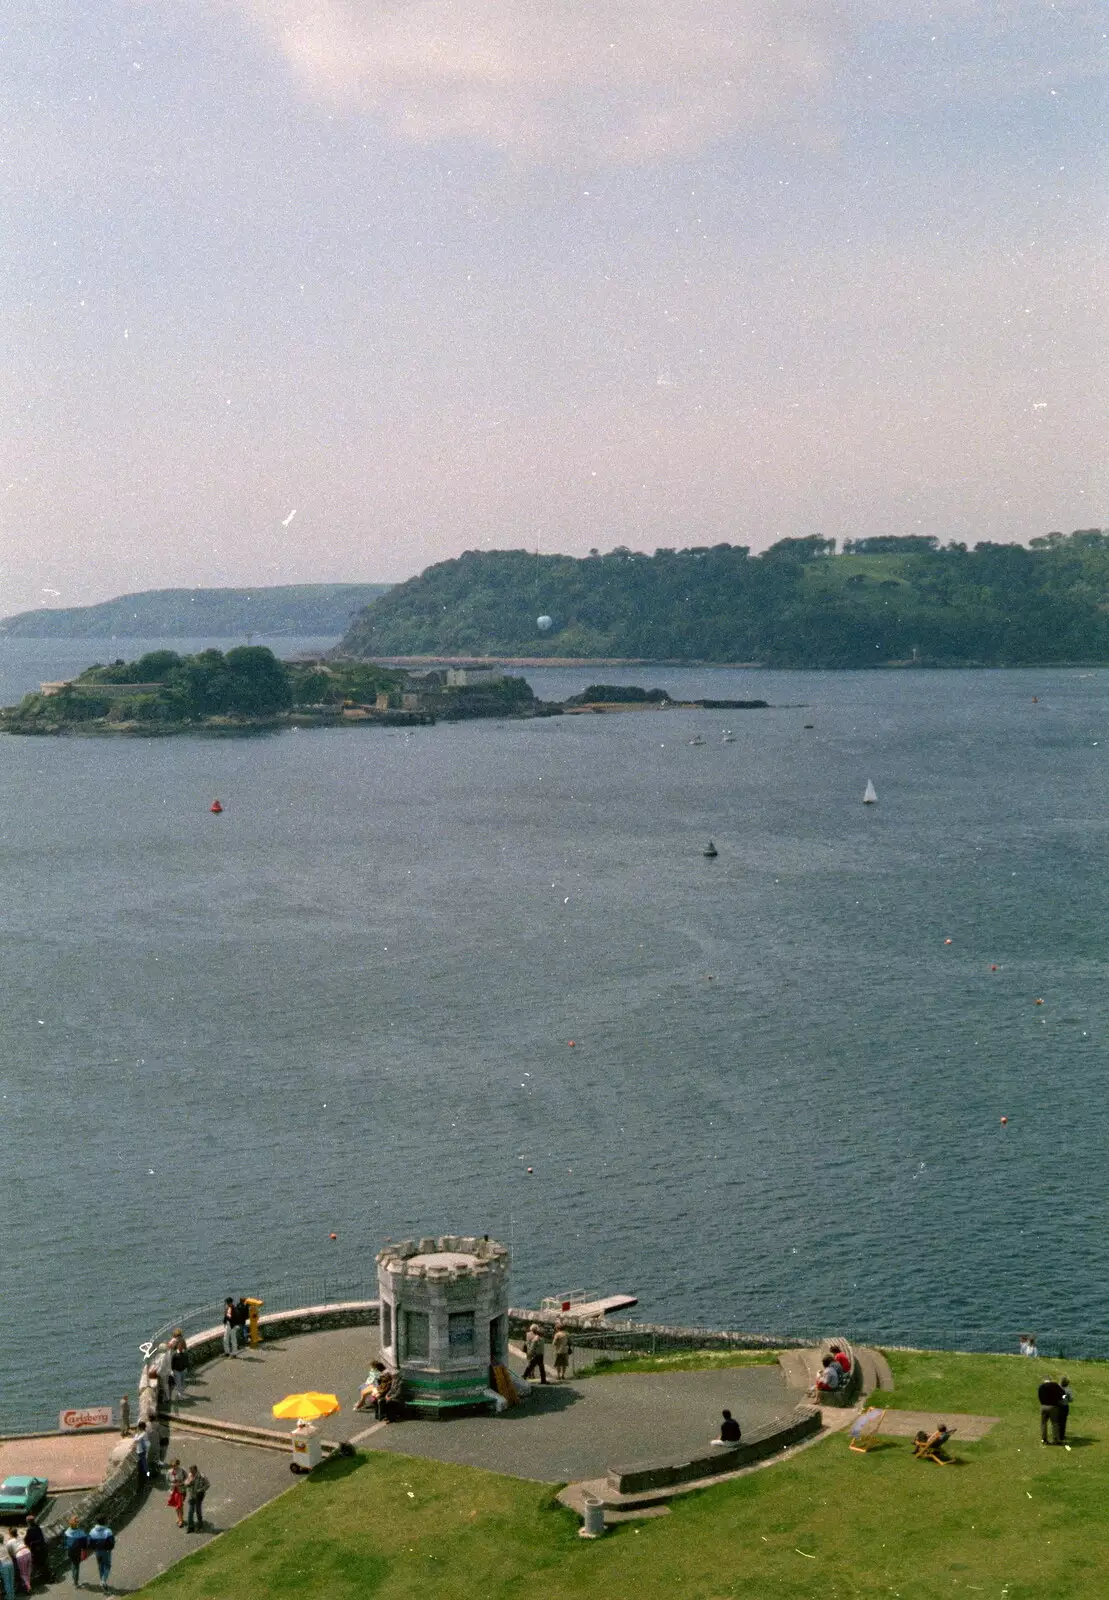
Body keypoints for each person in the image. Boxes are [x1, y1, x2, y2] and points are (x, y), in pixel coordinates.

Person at [86, 1522, 115, 1592]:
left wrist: (94, 1548)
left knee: (100, 1566)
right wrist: (109, 1548)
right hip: (106, 1551)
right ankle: (103, 1581)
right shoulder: (108, 1531)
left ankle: (102, 1582)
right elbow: (112, 1542)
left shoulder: (92, 1531)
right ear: (104, 1521)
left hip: (97, 1551)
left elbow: (89, 1542)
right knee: (107, 1566)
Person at [1038, 1375, 1066, 1444]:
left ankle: (1044, 1440)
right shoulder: (1054, 1385)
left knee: (1043, 1423)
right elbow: (1063, 1394)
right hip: (1053, 1407)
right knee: (1054, 1423)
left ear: (1044, 1380)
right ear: (1050, 1379)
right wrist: (1061, 1399)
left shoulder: (1041, 1387)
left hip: (1043, 1406)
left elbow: (1039, 1397)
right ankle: (1056, 1440)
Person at [20, 1517, 45, 1589]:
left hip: (35, 1550)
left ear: (28, 1522)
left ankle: (38, 1580)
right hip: (41, 1548)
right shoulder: (38, 1527)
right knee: (42, 1563)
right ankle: (44, 1577)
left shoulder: (30, 1530)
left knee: (35, 1564)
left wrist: (29, 1543)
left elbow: (26, 1540)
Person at [63, 1517, 87, 1589]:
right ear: (77, 1524)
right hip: (77, 1552)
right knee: (76, 1566)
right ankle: (76, 1583)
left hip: (70, 1551)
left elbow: (64, 1543)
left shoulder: (67, 1532)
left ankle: (73, 1578)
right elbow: (84, 1544)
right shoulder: (81, 1532)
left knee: (73, 1563)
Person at [6, 1528, 31, 1595]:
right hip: (28, 1551)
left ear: (10, 1534)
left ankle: (27, 1588)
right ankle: (27, 1585)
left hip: (20, 1555)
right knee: (28, 1571)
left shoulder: (9, 1542)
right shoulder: (20, 1537)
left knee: (23, 1573)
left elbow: (10, 1553)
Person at [185, 1466, 209, 1532]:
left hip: (199, 1495)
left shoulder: (202, 1476)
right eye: (190, 1471)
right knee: (190, 1511)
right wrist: (188, 1483)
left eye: (192, 1471)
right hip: (192, 1495)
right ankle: (190, 1527)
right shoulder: (190, 1475)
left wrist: (200, 1490)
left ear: (196, 1470)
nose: (191, 1473)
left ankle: (200, 1525)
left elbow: (207, 1485)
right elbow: (186, 1482)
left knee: (198, 1510)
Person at [169, 1329, 189, 1401]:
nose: (179, 1338)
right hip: (177, 1366)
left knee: (181, 1382)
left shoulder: (179, 1341)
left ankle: (180, 1394)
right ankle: (180, 1395)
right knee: (179, 1382)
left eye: (179, 1336)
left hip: (180, 1365)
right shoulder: (176, 1342)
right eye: (178, 1336)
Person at [166, 1458, 186, 1527]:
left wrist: (180, 1483)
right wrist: (172, 1484)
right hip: (173, 1491)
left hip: (181, 1490)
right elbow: (167, 1481)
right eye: (172, 1466)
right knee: (177, 1506)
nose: (174, 1467)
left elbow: (187, 1480)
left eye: (175, 1466)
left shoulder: (182, 1471)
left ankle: (181, 1520)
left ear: (178, 1464)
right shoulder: (169, 1472)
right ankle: (179, 1518)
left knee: (179, 1506)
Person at [1058, 1376, 1073, 1443]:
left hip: (1057, 1406)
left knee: (1056, 1421)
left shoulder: (1056, 1388)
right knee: (1063, 1421)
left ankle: (1056, 1434)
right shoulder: (1068, 1390)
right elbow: (1070, 1399)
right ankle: (1061, 1436)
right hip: (1064, 1407)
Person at [0, 1535, 15, 1600]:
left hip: (4, 1564)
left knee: (7, 1582)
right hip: (10, 1563)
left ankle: (9, 1597)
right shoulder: (5, 1545)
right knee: (11, 1580)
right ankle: (13, 1596)